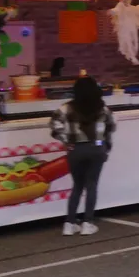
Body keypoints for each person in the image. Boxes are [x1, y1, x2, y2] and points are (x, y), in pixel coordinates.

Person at [49, 76, 116, 236]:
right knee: (92, 185)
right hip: (96, 149)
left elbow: (54, 126)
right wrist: (105, 147)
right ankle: (88, 223)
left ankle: (69, 223)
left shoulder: (66, 108)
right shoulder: (103, 108)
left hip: (76, 150)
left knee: (77, 186)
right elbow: (111, 127)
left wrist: (67, 141)